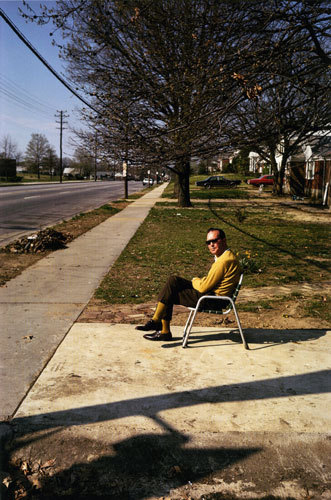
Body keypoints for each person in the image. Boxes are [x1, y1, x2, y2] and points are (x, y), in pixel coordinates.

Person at [136, 227, 241, 341]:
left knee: (170, 293)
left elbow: (203, 287)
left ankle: (161, 327)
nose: (211, 245)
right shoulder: (226, 256)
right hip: (212, 295)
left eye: (214, 241)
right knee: (173, 280)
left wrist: (195, 280)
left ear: (224, 240)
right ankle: (157, 322)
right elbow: (209, 282)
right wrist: (200, 281)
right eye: (208, 242)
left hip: (214, 300)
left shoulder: (224, 261)